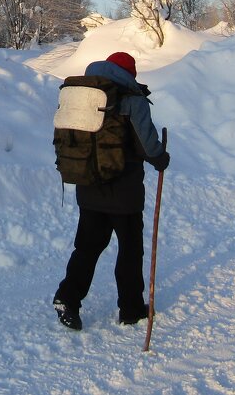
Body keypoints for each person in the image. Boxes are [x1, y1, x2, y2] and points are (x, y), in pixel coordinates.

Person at [53, 51, 170, 331]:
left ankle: (67, 297)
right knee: (129, 250)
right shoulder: (131, 99)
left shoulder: (84, 95)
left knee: (88, 247)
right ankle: (130, 309)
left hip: (88, 184)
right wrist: (160, 158)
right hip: (124, 190)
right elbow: (147, 145)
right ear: (129, 73)